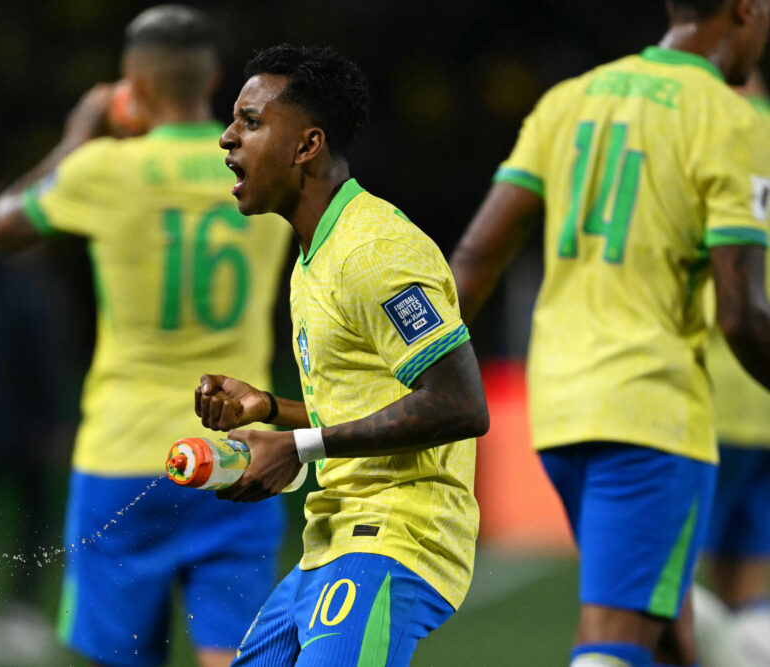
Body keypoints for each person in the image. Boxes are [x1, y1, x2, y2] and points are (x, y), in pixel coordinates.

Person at [449, 0, 770, 665]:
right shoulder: (733, 121)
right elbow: (740, 312)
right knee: (615, 637)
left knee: (669, 622)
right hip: (652, 410)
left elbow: (475, 258)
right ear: (748, 10)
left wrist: (410, 375)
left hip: (560, 408)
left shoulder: (572, 99)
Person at [0, 6, 292, 667]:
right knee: (235, 655)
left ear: (133, 85)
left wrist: (75, 137)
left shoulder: (103, 171)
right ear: (212, 80)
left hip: (123, 454)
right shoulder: (267, 169)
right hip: (238, 450)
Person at [195, 44, 489, 666]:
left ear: (307, 146)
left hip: (395, 539)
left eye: (250, 122)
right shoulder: (315, 255)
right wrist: (270, 409)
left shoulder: (376, 251)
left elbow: (461, 405)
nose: (227, 138)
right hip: (330, 542)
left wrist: (298, 449)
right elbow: (372, 405)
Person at [692, 71, 770, 667]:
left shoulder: (708, 136)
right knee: (751, 588)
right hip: (762, 404)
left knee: (658, 592)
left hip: (709, 395)